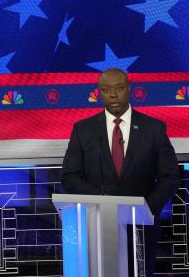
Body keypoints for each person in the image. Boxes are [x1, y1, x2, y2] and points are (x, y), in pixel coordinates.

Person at [61, 68, 179, 277]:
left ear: (129, 90)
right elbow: (70, 176)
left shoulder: (154, 128)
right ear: (100, 93)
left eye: (119, 89)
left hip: (141, 226)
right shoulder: (83, 130)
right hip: (97, 224)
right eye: (106, 90)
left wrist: (146, 209)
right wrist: (103, 201)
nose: (113, 95)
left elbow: (169, 176)